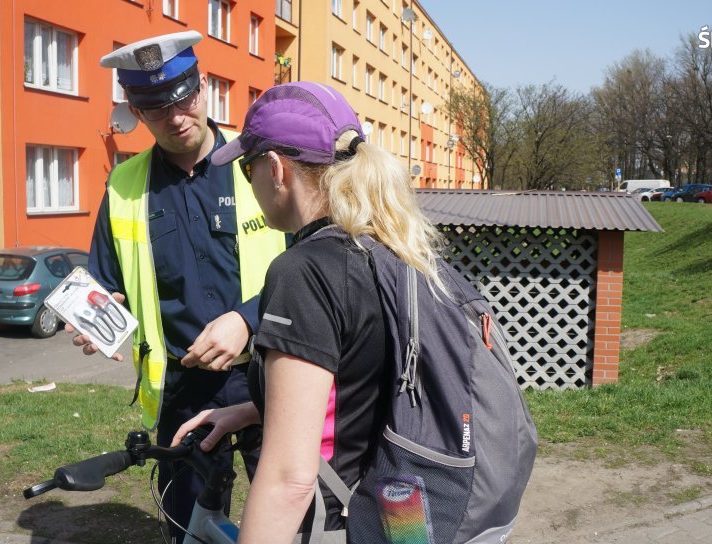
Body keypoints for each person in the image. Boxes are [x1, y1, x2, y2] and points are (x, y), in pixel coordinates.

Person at [171, 81, 449, 543]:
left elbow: (289, 480)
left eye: (246, 169)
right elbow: (359, 388)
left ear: (276, 169)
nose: (249, 183)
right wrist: (253, 411)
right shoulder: (390, 249)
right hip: (396, 514)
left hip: (334, 522)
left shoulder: (304, 271)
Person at [66, 31, 285, 541]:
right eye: (154, 108)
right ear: (136, 111)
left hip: (268, 375)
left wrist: (247, 321)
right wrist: (95, 317)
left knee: (287, 516)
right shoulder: (123, 185)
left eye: (183, 98)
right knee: (190, 526)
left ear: (204, 84)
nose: (175, 117)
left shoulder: (262, 162)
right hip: (181, 392)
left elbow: (310, 265)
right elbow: (104, 280)